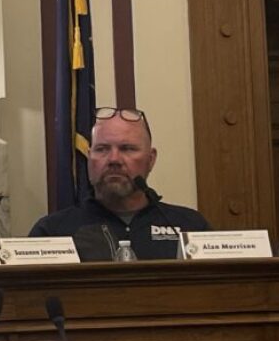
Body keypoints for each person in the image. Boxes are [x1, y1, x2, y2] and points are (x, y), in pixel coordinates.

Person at [29, 107, 210, 260]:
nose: (114, 159)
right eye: (102, 149)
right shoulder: (52, 231)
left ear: (151, 159)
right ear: (89, 158)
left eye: (127, 149)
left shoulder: (190, 227)